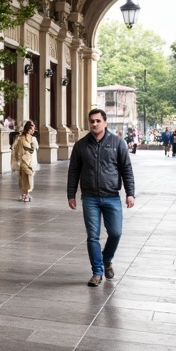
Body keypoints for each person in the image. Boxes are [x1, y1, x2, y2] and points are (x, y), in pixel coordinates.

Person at [68, 108, 135, 287]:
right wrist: (71, 194)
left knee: (115, 233)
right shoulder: (81, 145)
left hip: (112, 196)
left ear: (105, 123)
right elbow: (73, 171)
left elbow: (126, 169)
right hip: (90, 198)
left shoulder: (117, 143)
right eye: (92, 121)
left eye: (98, 121)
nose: (94, 124)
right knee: (93, 236)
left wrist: (130, 193)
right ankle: (97, 272)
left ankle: (107, 259)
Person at [12, 120, 38, 202]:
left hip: (30, 160)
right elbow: (13, 146)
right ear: (28, 129)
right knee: (26, 176)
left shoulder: (32, 138)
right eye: (32, 129)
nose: (33, 131)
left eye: (34, 129)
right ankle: (26, 194)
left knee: (26, 176)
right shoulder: (20, 138)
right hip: (23, 160)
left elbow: (35, 148)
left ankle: (25, 193)